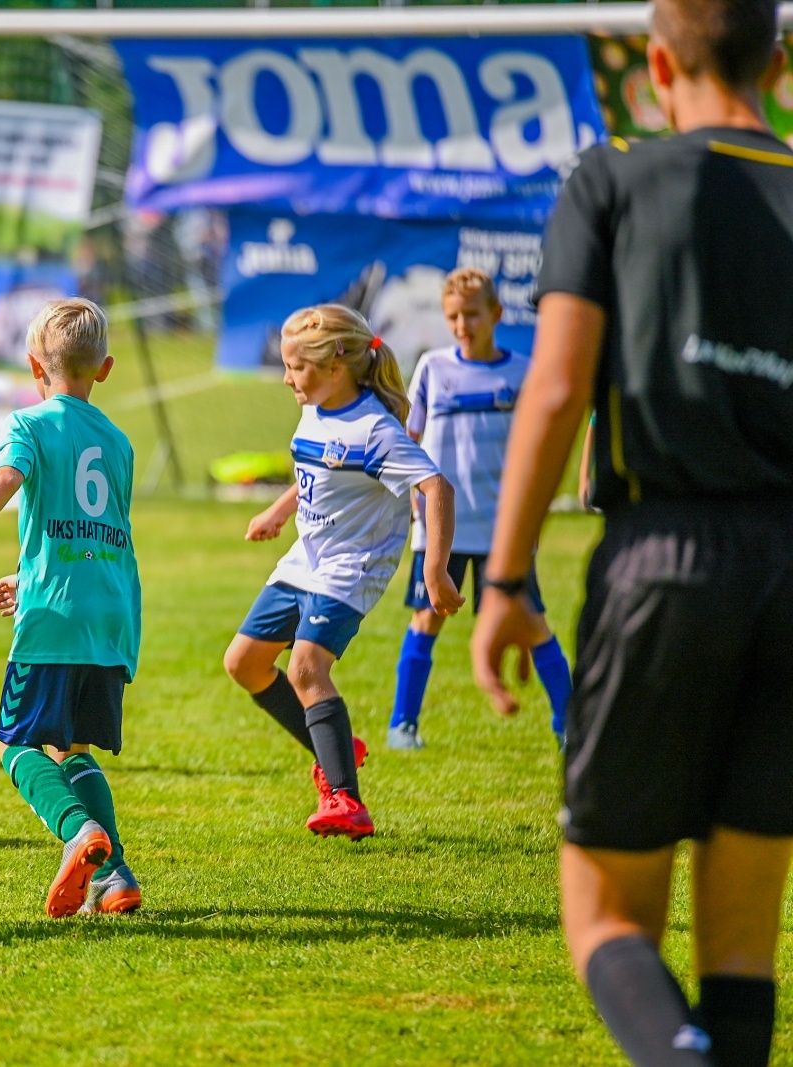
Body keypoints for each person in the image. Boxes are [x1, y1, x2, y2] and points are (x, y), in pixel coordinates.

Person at [471, 0, 793, 1062]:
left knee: (603, 914)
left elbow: (557, 386)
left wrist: (506, 578)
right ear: (778, 65)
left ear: (655, 63)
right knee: (742, 943)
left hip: (664, 556)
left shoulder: (611, 176)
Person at [223, 305, 461, 841]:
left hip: (354, 565)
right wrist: (279, 511)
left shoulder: (375, 429)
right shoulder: (319, 405)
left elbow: (435, 487)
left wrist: (437, 570)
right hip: (306, 560)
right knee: (244, 663)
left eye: (295, 368)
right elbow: (320, 466)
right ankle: (336, 749)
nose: (286, 378)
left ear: (337, 364)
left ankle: (346, 799)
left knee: (307, 667)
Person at [0, 297, 144, 918]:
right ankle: (114, 878)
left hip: (56, 619)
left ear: (34, 366)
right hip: (112, 613)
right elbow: (88, 530)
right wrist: (27, 576)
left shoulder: (30, 425)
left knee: (18, 748)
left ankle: (77, 833)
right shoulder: (118, 443)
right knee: (76, 749)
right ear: (106, 368)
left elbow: (5, 486)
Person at [386, 267, 574, 751]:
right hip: (442, 530)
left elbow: (538, 447)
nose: (462, 324)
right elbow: (411, 441)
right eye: (452, 316)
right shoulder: (432, 367)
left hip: (503, 529)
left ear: (495, 313)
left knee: (532, 622)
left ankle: (570, 723)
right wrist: (415, 500)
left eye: (471, 314)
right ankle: (403, 725)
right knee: (426, 618)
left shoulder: (523, 372)